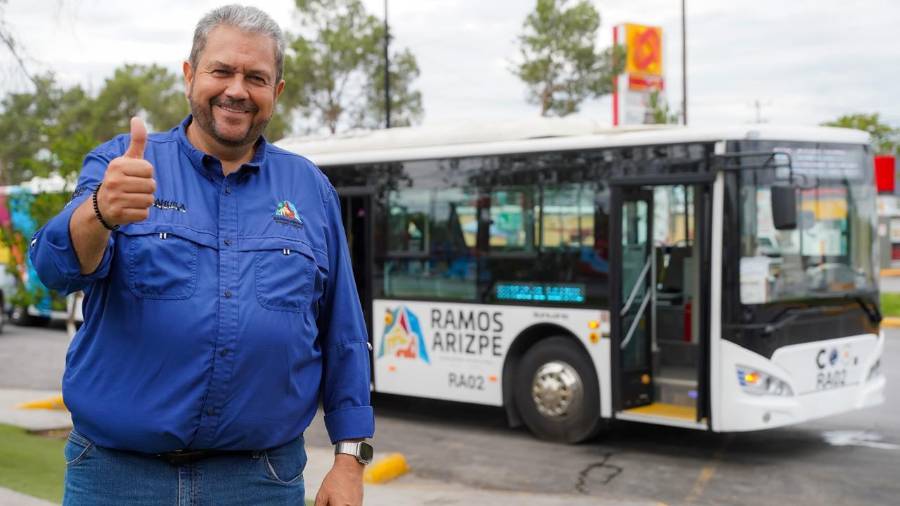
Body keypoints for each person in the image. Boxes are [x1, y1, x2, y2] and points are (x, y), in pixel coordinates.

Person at [30, 5, 374, 505]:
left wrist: (349, 459)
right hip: (117, 479)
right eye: (222, 70)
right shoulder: (124, 163)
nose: (237, 89)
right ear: (190, 75)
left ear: (275, 93)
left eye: (256, 77)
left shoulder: (310, 189)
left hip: (260, 482)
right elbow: (53, 270)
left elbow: (343, 333)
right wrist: (100, 212)